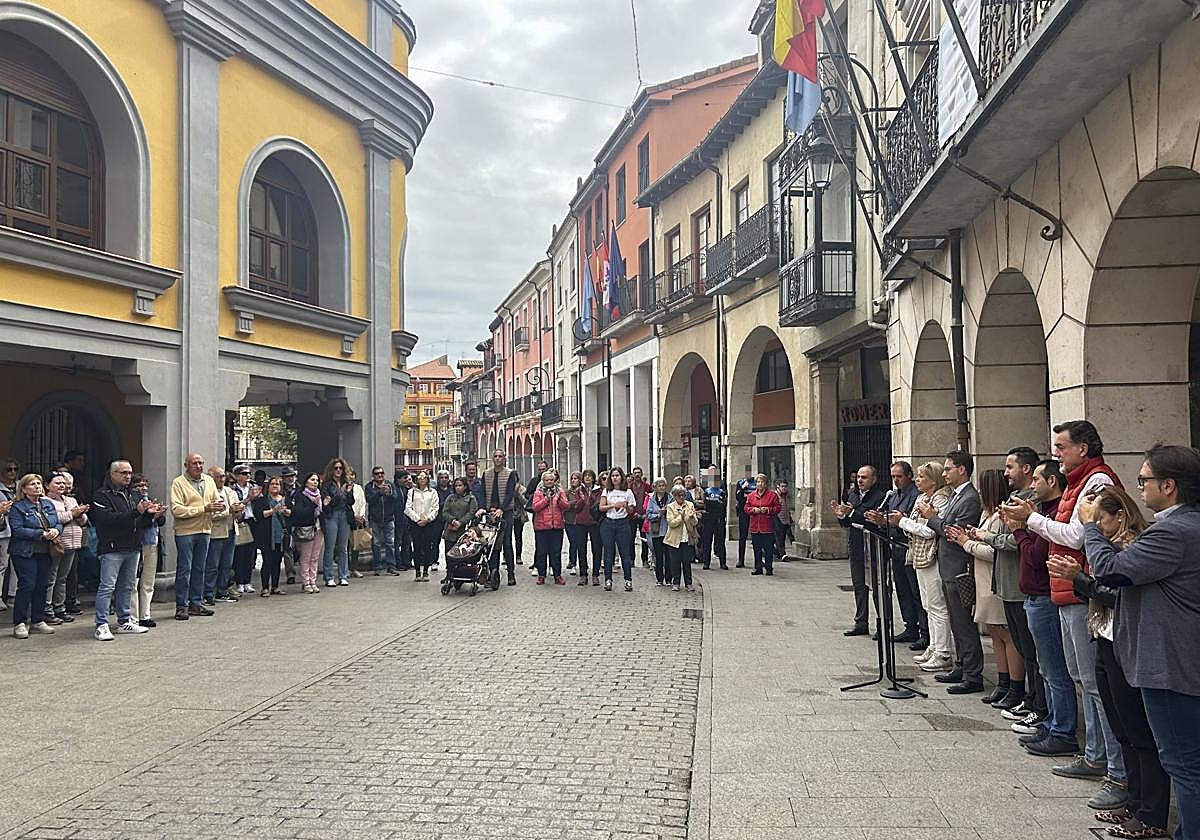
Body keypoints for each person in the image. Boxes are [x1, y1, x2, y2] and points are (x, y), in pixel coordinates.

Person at [1086, 445, 1200, 839]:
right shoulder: (1182, 526)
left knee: (1183, 763)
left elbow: (1112, 570)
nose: (1141, 489)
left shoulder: (1173, 530)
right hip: (1171, 660)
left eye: (1144, 481)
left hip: (1170, 665)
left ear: (1168, 486)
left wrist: (1088, 527)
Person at [1002, 420, 1125, 780]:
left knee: (1093, 682)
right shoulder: (1078, 482)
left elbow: (1077, 536)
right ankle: (1095, 754)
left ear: (1083, 449)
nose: (1057, 453)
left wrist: (1032, 520)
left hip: (1081, 589)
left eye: (1062, 447)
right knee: (1079, 677)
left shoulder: (1097, 481)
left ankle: (1109, 764)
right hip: (1067, 589)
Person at [1051, 485, 1169, 831]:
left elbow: (1118, 594)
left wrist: (1079, 579)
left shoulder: (1134, 545)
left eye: (1100, 519)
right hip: (1104, 637)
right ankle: (1133, 800)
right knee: (1122, 728)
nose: (1096, 527)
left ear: (1120, 516)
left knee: (1138, 731)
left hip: (1126, 642)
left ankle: (1151, 813)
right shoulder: (1106, 545)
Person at [1004, 461, 1078, 747]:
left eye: (1037, 479)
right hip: (1035, 595)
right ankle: (1052, 721)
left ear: (1052, 481)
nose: (1032, 485)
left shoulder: (1053, 515)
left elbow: (1036, 556)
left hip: (1046, 596)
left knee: (1054, 669)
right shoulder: (1043, 512)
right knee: (1047, 668)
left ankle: (1062, 730)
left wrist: (1018, 529)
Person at [952, 469, 1025, 710]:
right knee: (995, 633)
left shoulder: (998, 516)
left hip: (995, 579)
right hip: (983, 579)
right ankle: (1003, 683)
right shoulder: (987, 514)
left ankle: (1014, 685)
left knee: (1006, 635)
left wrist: (967, 543)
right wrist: (972, 536)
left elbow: (995, 551)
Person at [919, 451, 984, 694]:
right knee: (957, 621)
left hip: (958, 567)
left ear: (962, 470)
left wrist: (933, 518)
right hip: (948, 566)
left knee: (963, 622)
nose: (944, 474)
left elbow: (952, 532)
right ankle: (961, 665)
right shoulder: (957, 495)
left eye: (948, 469)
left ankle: (972, 674)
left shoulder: (969, 498)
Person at [995, 447, 1046, 728]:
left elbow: (1017, 540)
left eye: (1010, 466)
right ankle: (1031, 697)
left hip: (1023, 583)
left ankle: (1039, 703)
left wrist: (992, 538)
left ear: (1026, 469)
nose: (1006, 473)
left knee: (1032, 649)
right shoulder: (1014, 499)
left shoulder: (1032, 502)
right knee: (1025, 648)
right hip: (1011, 582)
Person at [90, 461, 164, 640]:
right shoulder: (101, 495)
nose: (128, 476)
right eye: (123, 473)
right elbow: (107, 520)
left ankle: (124, 621)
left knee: (128, 586)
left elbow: (140, 523)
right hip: (112, 548)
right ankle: (101, 624)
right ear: (112, 473)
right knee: (107, 587)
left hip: (133, 546)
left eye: (130, 473)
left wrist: (152, 516)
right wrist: (136, 512)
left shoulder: (134, 494)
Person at [896, 461, 954, 672]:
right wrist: (907, 524)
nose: (918, 480)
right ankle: (933, 645)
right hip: (918, 553)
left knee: (937, 605)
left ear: (933, 479)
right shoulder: (922, 497)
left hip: (932, 555)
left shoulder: (940, 498)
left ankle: (943, 651)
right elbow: (916, 524)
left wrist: (902, 522)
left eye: (922, 477)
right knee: (927, 604)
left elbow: (930, 529)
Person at [865, 462, 923, 645]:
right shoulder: (893, 495)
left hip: (909, 547)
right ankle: (910, 626)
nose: (896, 480)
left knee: (915, 591)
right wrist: (880, 520)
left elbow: (908, 520)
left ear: (909, 476)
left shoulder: (916, 495)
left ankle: (924, 631)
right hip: (895, 547)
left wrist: (892, 521)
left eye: (899, 476)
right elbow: (889, 517)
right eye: (893, 477)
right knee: (903, 590)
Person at [8, 473, 61, 639]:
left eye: (38, 483)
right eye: (32, 484)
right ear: (23, 489)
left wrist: (56, 530)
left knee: (42, 584)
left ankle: (37, 620)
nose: (37, 486)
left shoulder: (47, 504)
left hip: (45, 551)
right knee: (27, 585)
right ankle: (20, 622)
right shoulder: (18, 507)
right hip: (24, 551)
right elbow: (17, 530)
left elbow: (57, 521)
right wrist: (41, 534)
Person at [834, 465, 885, 636]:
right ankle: (861, 622)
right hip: (856, 546)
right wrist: (842, 515)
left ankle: (883, 625)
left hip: (874, 546)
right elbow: (849, 522)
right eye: (858, 477)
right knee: (859, 586)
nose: (860, 480)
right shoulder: (853, 495)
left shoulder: (880, 497)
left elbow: (870, 519)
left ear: (874, 479)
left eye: (864, 477)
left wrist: (852, 513)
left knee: (878, 589)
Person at [170, 453, 220, 621]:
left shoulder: (209, 481)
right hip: (185, 532)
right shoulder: (178, 483)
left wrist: (220, 505)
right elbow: (177, 510)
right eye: (194, 463)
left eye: (200, 463)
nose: (198, 466)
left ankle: (196, 603)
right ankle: (181, 606)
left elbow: (215, 500)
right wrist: (203, 509)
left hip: (205, 530)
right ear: (186, 466)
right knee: (185, 569)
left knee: (200, 568)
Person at [42, 472, 87, 626]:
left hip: (73, 543)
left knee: (63, 578)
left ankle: (59, 607)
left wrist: (80, 514)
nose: (62, 486)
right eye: (57, 483)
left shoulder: (71, 499)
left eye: (63, 483)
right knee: (51, 578)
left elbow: (83, 521)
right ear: (47, 486)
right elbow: (53, 520)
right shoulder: (45, 501)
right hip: (57, 542)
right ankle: (47, 609)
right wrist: (72, 514)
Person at [130, 474, 166, 627]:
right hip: (136, 543)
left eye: (146, 484)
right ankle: (133, 617)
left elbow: (161, 522)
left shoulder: (149, 499)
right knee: (133, 582)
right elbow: (135, 522)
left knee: (148, 581)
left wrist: (159, 515)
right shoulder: (131, 500)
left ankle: (145, 614)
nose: (143, 487)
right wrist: (151, 517)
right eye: (139, 485)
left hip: (152, 542)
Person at [482, 450, 520, 588]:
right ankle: (493, 573)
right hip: (490, 512)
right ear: (492, 458)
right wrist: (483, 508)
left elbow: (510, 493)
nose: (498, 459)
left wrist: (502, 509)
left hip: (506, 512)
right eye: (496, 456)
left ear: (504, 458)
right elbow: (483, 492)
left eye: (500, 456)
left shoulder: (510, 473)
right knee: (491, 545)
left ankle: (511, 573)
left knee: (507, 543)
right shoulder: (486, 474)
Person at [204, 466, 239, 605]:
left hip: (231, 530)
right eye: (218, 476)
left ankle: (223, 591)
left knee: (227, 564)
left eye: (223, 476)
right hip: (216, 533)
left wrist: (239, 510)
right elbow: (210, 515)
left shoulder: (229, 491)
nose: (222, 479)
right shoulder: (208, 493)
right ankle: (208, 593)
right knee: (212, 565)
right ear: (211, 478)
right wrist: (229, 511)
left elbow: (235, 509)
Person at [251, 476, 290, 597]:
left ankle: (275, 586)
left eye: (277, 484)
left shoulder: (285, 500)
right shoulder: (262, 500)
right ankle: (264, 587)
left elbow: (291, 513)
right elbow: (259, 514)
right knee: (267, 561)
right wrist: (273, 511)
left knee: (277, 562)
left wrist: (286, 512)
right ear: (268, 487)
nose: (275, 486)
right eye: (272, 484)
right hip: (267, 536)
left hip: (281, 535)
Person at [599, 467, 637, 592]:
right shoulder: (607, 491)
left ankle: (628, 580)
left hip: (623, 523)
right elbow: (601, 507)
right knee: (608, 552)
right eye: (613, 476)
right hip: (608, 524)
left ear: (622, 477)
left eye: (617, 475)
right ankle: (608, 579)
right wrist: (613, 505)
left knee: (624, 552)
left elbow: (632, 511)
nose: (615, 478)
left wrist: (626, 506)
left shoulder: (628, 492)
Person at [532, 469, 569, 585]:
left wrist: (559, 501)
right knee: (542, 552)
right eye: (547, 480)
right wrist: (546, 499)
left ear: (555, 480)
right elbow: (535, 507)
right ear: (543, 481)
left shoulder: (560, 491)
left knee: (556, 552)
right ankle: (541, 575)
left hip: (557, 526)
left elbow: (566, 506)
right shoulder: (538, 492)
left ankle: (557, 575)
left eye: (551, 480)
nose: (549, 482)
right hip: (542, 527)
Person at [290, 472, 324, 593]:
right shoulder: (301, 496)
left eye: (317, 480)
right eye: (312, 480)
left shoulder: (320, 495)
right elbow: (299, 513)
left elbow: (322, 511)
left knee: (315, 557)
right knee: (306, 557)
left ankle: (313, 581)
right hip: (306, 528)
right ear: (306, 482)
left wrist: (324, 505)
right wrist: (313, 504)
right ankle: (306, 582)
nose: (315, 482)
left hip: (318, 528)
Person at [229, 465, 261, 594]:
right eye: (244, 473)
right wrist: (248, 499)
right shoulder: (233, 489)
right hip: (240, 522)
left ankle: (247, 581)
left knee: (250, 554)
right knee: (239, 554)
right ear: (237, 476)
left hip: (252, 521)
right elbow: (235, 505)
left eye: (249, 473)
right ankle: (239, 582)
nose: (248, 476)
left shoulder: (253, 486)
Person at [320, 458, 351, 587]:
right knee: (330, 547)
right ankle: (328, 576)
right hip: (331, 515)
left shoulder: (346, 483)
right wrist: (341, 493)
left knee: (343, 548)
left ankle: (343, 575)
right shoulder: (326, 484)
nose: (338, 470)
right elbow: (326, 504)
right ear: (331, 470)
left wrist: (348, 493)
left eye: (340, 468)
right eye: (336, 468)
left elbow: (351, 502)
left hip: (344, 514)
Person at [405, 471, 440, 582]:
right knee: (417, 547)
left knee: (427, 547)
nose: (422, 479)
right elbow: (408, 508)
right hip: (416, 523)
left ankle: (425, 571)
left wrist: (428, 519)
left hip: (429, 523)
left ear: (428, 479)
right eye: (420, 477)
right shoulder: (412, 492)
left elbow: (435, 508)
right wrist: (417, 519)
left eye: (424, 477)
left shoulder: (432, 492)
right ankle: (417, 572)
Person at [571, 468, 602, 587]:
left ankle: (595, 575)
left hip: (594, 522)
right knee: (581, 549)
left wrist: (589, 498)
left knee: (596, 549)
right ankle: (583, 574)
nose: (588, 478)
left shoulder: (598, 491)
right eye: (585, 476)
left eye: (590, 476)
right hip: (581, 522)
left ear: (593, 478)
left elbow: (597, 505)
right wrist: (582, 500)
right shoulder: (579, 490)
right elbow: (576, 507)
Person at [745, 474, 781, 576]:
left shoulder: (772, 495)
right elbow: (746, 508)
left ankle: (769, 568)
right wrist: (753, 510)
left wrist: (768, 510)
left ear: (766, 484)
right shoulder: (751, 496)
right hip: (755, 526)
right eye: (758, 482)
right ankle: (758, 567)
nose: (759, 484)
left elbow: (778, 508)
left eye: (762, 482)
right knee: (757, 548)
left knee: (768, 549)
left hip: (767, 526)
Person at [664, 484, 698, 592]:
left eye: (683, 495)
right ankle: (676, 583)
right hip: (674, 539)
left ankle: (689, 583)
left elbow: (695, 523)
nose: (681, 498)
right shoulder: (670, 507)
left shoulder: (690, 505)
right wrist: (681, 517)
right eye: (679, 495)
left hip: (687, 538)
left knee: (687, 562)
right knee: (675, 562)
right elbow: (671, 523)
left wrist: (692, 517)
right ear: (674, 496)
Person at [366, 466, 400, 575]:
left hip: (389, 518)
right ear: (373, 475)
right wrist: (379, 492)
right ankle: (377, 567)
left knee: (390, 543)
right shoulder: (369, 486)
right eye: (377, 473)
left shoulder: (390, 485)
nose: (379, 475)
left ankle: (391, 566)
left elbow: (395, 498)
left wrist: (388, 493)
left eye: (381, 473)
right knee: (375, 544)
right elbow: (370, 500)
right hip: (375, 519)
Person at [441, 477, 478, 566]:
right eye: (456, 486)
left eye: (460, 485)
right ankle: (449, 573)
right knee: (449, 552)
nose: (458, 487)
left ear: (465, 486)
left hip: (464, 529)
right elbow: (445, 512)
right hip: (450, 529)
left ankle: (462, 572)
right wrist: (453, 521)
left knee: (462, 552)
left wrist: (461, 522)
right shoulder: (450, 497)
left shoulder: (471, 498)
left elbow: (472, 512)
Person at [697, 473, 728, 571]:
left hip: (719, 518)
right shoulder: (706, 491)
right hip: (708, 518)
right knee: (707, 541)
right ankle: (706, 562)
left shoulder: (722, 492)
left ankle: (723, 562)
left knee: (720, 542)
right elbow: (706, 504)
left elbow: (723, 504)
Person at [644, 478, 671, 586]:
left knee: (668, 556)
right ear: (655, 487)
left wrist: (666, 512)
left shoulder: (670, 498)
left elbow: (675, 511)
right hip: (656, 531)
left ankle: (669, 578)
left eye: (663, 485)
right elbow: (648, 514)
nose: (661, 487)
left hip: (668, 530)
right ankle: (659, 578)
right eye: (659, 485)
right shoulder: (652, 499)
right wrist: (658, 515)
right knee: (658, 556)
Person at [0, 459, 18, 611]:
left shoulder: (21, 487)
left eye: (15, 469)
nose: (12, 472)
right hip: (4, 531)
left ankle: (13, 595)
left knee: (16, 565)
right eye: (8, 469)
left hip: (18, 530)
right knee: (2, 565)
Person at [345, 467, 368, 578]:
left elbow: (363, 503)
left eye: (353, 474)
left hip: (359, 520)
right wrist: (353, 516)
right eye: (349, 474)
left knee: (357, 545)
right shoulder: (343, 488)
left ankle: (354, 568)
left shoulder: (358, 488)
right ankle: (345, 569)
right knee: (345, 545)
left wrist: (361, 516)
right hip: (348, 519)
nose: (351, 477)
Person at [280, 466, 299, 584]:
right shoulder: (280, 490)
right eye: (287, 477)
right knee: (287, 549)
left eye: (292, 476)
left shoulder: (301, 489)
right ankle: (290, 573)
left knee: (301, 548)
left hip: (299, 521)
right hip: (285, 523)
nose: (290, 479)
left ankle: (305, 573)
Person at [629, 466, 650, 569]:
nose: (637, 474)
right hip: (632, 516)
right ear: (633, 474)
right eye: (635, 473)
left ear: (642, 474)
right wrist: (632, 513)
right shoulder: (629, 487)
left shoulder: (647, 486)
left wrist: (645, 514)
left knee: (644, 538)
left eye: (639, 473)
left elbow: (649, 500)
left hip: (644, 516)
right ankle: (631, 559)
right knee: (630, 538)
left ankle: (645, 559)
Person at [734, 467, 755, 568]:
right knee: (742, 536)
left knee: (756, 537)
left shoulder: (756, 483)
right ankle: (741, 560)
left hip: (755, 512)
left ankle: (758, 560)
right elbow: (737, 497)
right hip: (744, 511)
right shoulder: (740, 482)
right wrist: (742, 488)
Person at [393, 469, 413, 571]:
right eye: (404, 478)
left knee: (407, 542)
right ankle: (398, 563)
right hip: (397, 519)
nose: (406, 480)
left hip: (406, 520)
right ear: (398, 479)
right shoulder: (394, 489)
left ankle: (407, 562)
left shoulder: (406, 489)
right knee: (397, 542)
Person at [563, 471, 583, 574]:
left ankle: (581, 562)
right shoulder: (567, 492)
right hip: (569, 520)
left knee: (580, 543)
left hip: (580, 521)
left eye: (575, 478)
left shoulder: (583, 491)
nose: (573, 480)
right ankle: (573, 562)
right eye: (572, 478)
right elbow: (564, 505)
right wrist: (575, 503)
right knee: (573, 542)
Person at [774, 480, 795, 563]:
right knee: (778, 537)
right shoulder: (775, 495)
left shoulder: (787, 496)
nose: (784, 488)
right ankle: (782, 554)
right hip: (777, 519)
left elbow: (787, 508)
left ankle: (779, 552)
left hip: (785, 519)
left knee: (782, 538)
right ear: (778, 486)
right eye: (782, 486)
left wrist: (789, 518)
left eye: (785, 486)